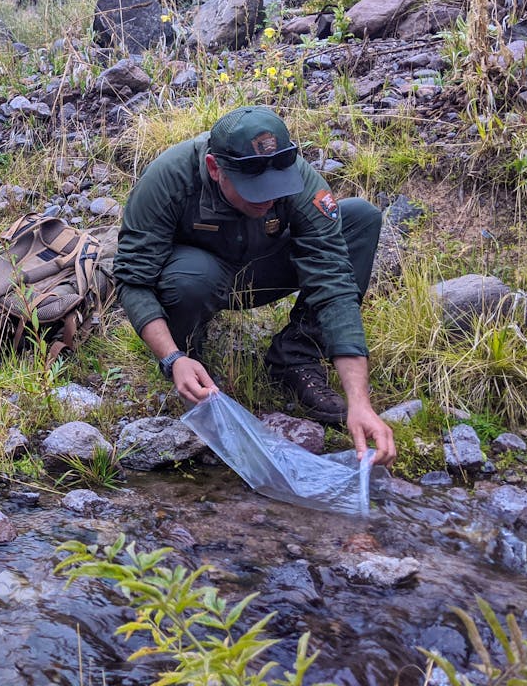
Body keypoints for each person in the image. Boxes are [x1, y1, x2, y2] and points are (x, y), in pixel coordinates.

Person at [113, 105, 396, 466]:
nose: (267, 199)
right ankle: (191, 358)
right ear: (216, 169)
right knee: (192, 280)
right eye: (254, 189)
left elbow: (335, 283)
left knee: (359, 218)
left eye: (276, 188)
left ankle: (295, 355)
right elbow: (132, 279)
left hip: (266, 268)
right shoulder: (170, 177)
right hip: (199, 277)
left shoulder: (299, 180)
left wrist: (360, 402)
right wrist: (172, 357)